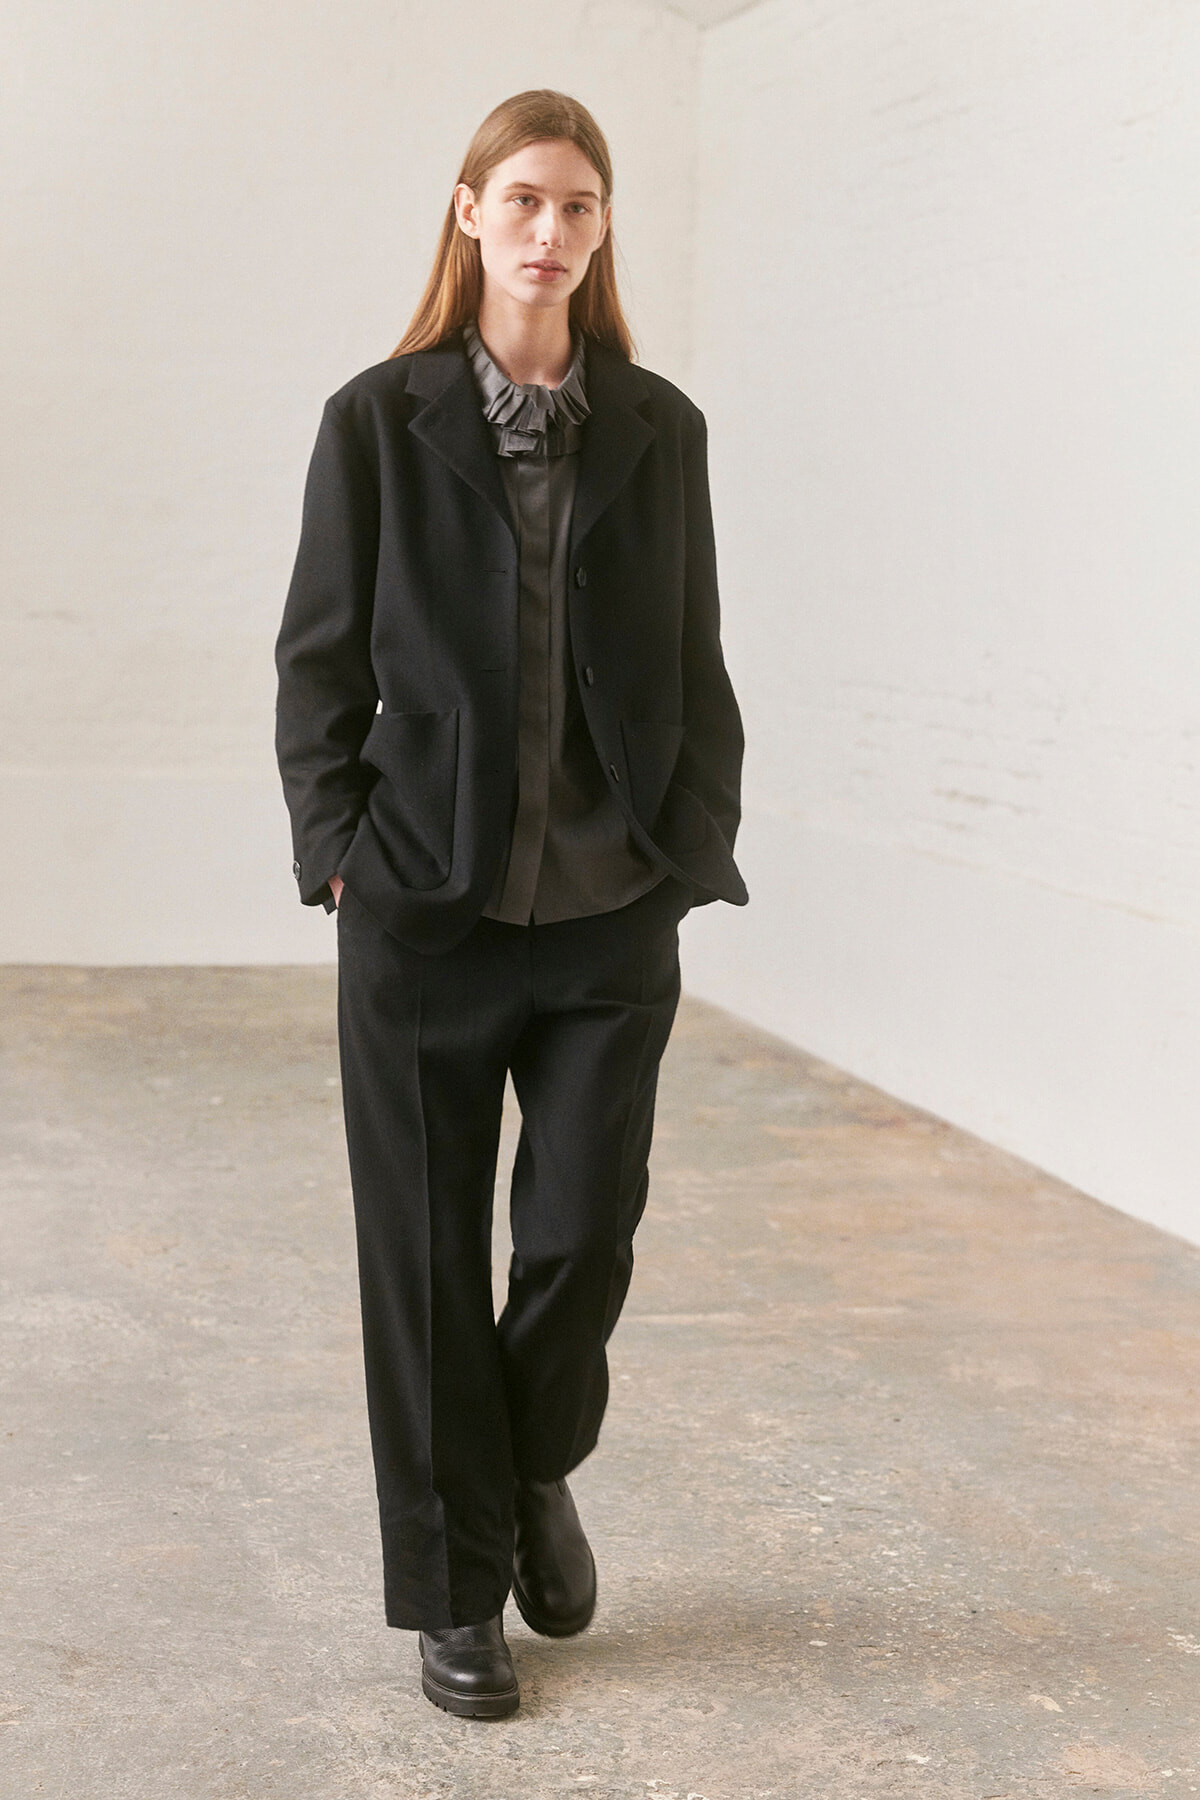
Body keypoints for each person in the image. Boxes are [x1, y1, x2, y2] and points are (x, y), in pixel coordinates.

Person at [274, 89, 746, 1719]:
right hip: (423, 911)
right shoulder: (376, 420)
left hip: (615, 914)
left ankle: (537, 1461)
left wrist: (695, 840)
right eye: (525, 200)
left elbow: (695, 658)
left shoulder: (659, 429)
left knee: (577, 1240)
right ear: (469, 214)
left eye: (581, 207)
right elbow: (317, 662)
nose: (552, 231)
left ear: (601, 233)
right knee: (418, 1262)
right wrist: (336, 842)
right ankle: (452, 1591)